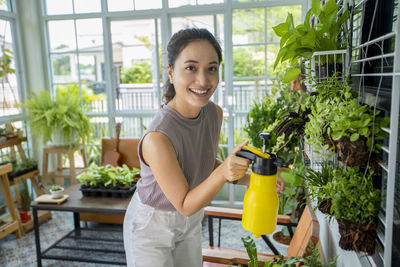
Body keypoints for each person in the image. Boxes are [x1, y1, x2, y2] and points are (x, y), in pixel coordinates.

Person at [123, 28, 285, 267]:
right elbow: (184, 204)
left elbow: (206, 164)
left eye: (211, 68)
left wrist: (249, 178)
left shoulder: (213, 113)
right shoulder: (158, 138)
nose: (203, 80)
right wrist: (224, 171)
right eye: (191, 68)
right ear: (171, 72)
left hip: (190, 221)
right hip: (151, 227)